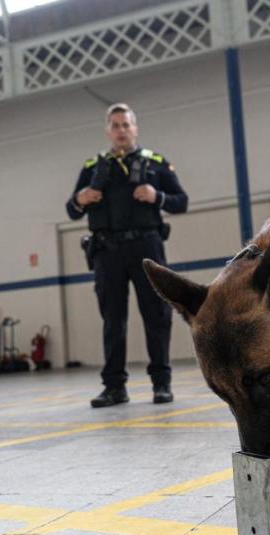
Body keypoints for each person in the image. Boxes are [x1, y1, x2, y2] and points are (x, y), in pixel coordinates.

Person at [67, 103, 189, 408]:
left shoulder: (156, 164)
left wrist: (157, 196)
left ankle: (162, 384)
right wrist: (80, 199)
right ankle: (114, 388)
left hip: (146, 246)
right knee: (112, 320)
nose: (121, 130)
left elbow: (181, 202)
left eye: (126, 125)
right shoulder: (92, 167)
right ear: (107, 131)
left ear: (135, 129)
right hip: (107, 251)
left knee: (157, 316)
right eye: (115, 125)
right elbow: (71, 210)